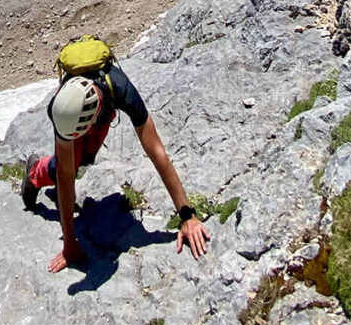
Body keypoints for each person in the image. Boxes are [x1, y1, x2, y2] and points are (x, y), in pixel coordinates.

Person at [21, 62, 210, 273]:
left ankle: (45, 172)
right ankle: (35, 172)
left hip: (102, 109)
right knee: (67, 168)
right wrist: (69, 244)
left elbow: (156, 151)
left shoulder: (119, 88)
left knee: (81, 160)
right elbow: (66, 175)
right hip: (84, 114)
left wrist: (188, 216)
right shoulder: (60, 110)